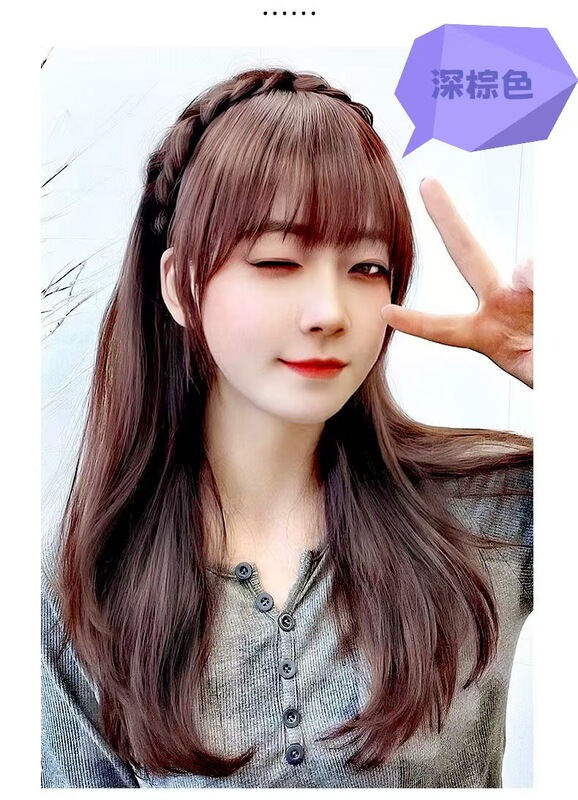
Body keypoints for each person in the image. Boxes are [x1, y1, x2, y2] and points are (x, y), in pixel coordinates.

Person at [41, 66, 533, 788]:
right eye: (277, 260)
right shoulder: (91, 583)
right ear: (178, 285)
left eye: (366, 268)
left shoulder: (496, 511)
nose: (329, 312)